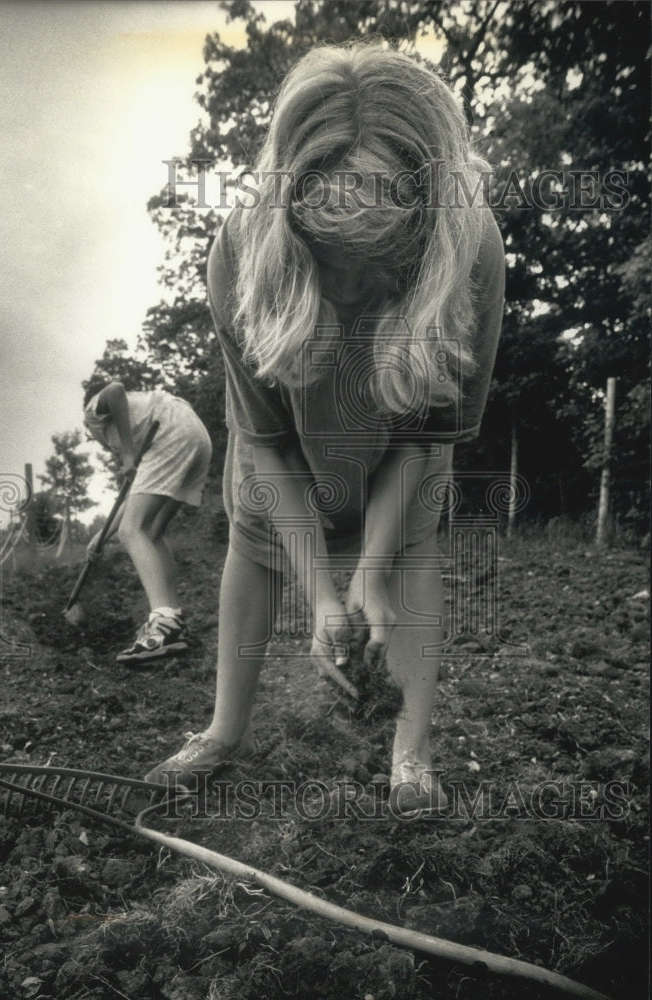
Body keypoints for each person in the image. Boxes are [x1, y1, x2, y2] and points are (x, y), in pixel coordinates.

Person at [145, 41, 505, 815]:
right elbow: (267, 443)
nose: (343, 288)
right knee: (256, 537)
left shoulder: (471, 246)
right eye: (326, 256)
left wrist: (367, 573)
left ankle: (410, 755)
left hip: (400, 420)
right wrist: (321, 594)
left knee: (409, 545)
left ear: (424, 234)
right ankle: (222, 730)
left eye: (370, 261)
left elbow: (423, 439)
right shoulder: (240, 250)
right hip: (288, 434)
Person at [83, 379, 212, 663]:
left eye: (92, 438)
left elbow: (115, 388)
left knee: (131, 531)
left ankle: (162, 624)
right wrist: (100, 537)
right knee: (151, 532)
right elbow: (134, 500)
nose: (105, 448)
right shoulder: (143, 417)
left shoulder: (93, 412)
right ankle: (174, 621)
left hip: (173, 432)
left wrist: (127, 453)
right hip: (197, 436)